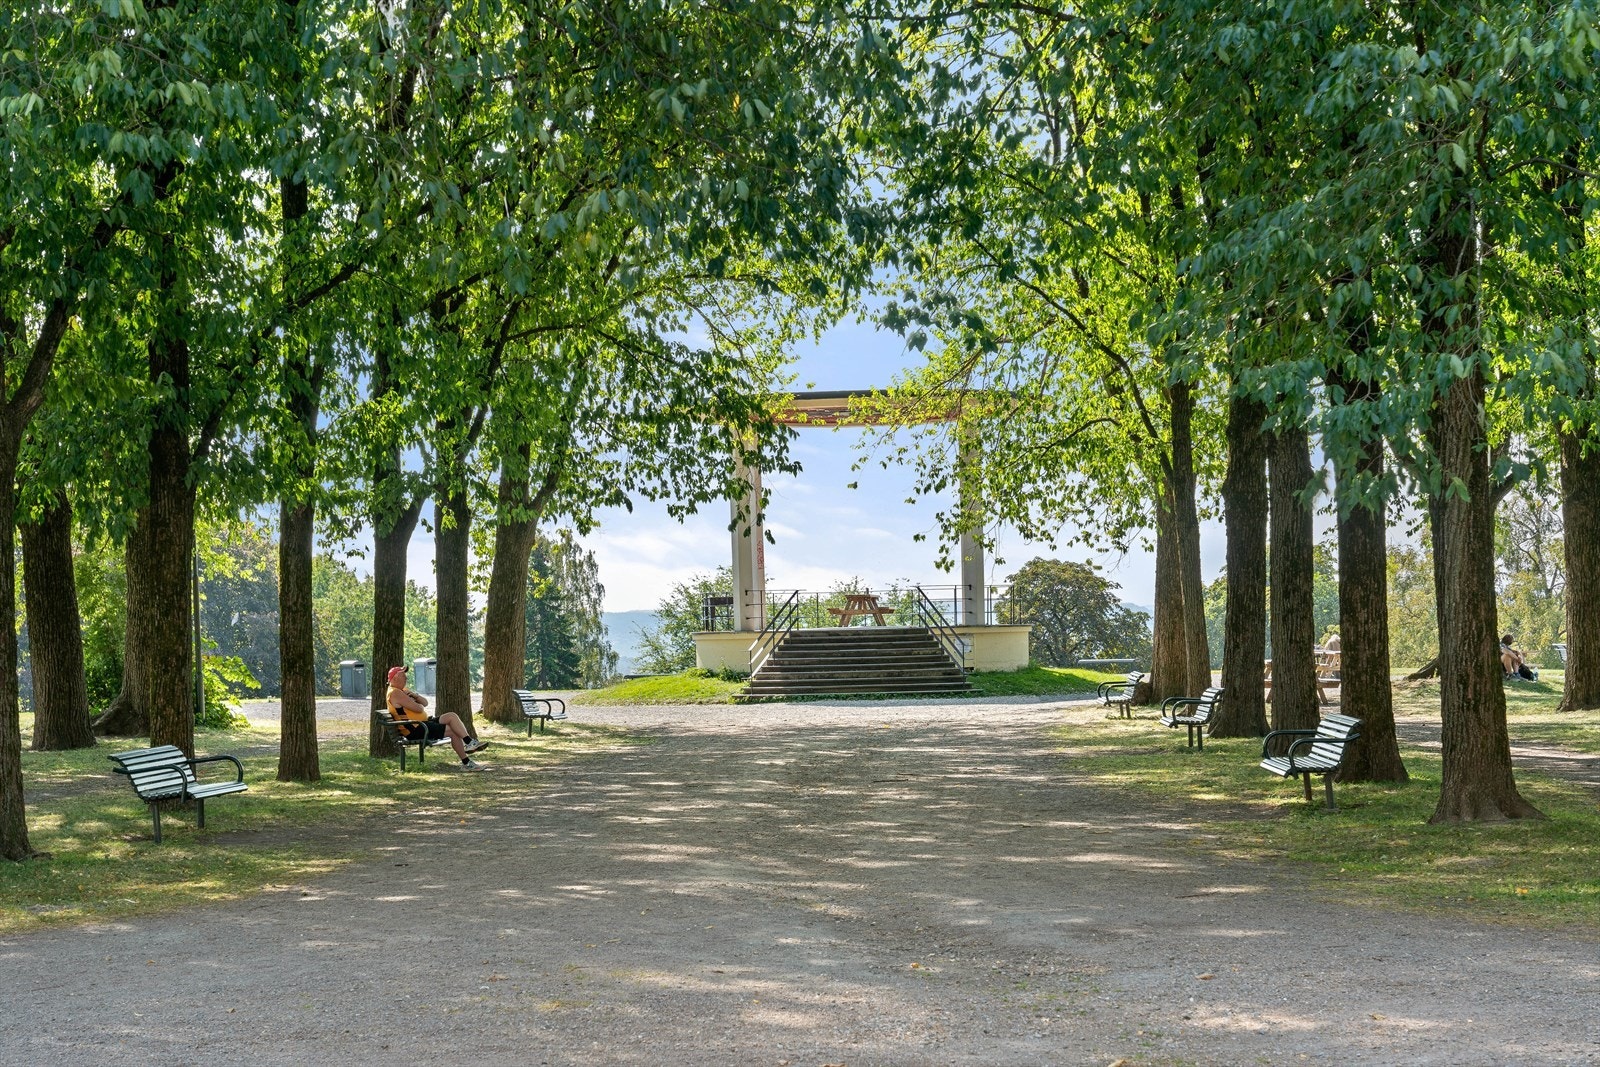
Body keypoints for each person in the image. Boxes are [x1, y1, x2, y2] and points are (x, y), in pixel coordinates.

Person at [385, 665, 489, 770]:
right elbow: (419, 709)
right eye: (403, 675)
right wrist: (415, 703)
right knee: (453, 731)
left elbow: (425, 703)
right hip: (415, 729)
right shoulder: (395, 692)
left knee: (451, 716)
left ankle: (469, 742)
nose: (406, 678)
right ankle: (467, 763)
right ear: (395, 678)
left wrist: (415, 696)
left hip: (422, 723)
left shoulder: (403, 690)